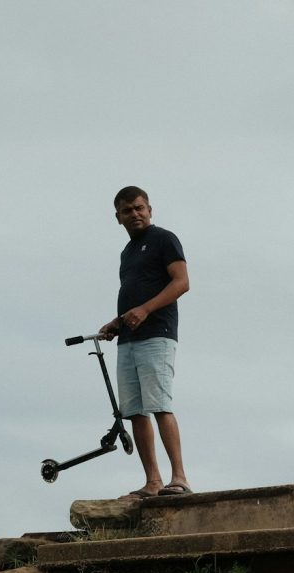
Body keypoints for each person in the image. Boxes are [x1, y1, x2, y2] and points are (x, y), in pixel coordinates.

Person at [98, 186, 192, 498]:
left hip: (157, 335)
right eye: (127, 210)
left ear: (150, 210)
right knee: (135, 411)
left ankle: (179, 478)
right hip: (128, 339)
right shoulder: (127, 252)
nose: (135, 214)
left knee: (159, 404)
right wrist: (117, 321)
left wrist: (146, 309)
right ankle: (153, 482)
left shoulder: (164, 239)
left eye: (139, 208)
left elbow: (182, 282)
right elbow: (135, 293)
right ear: (118, 217)